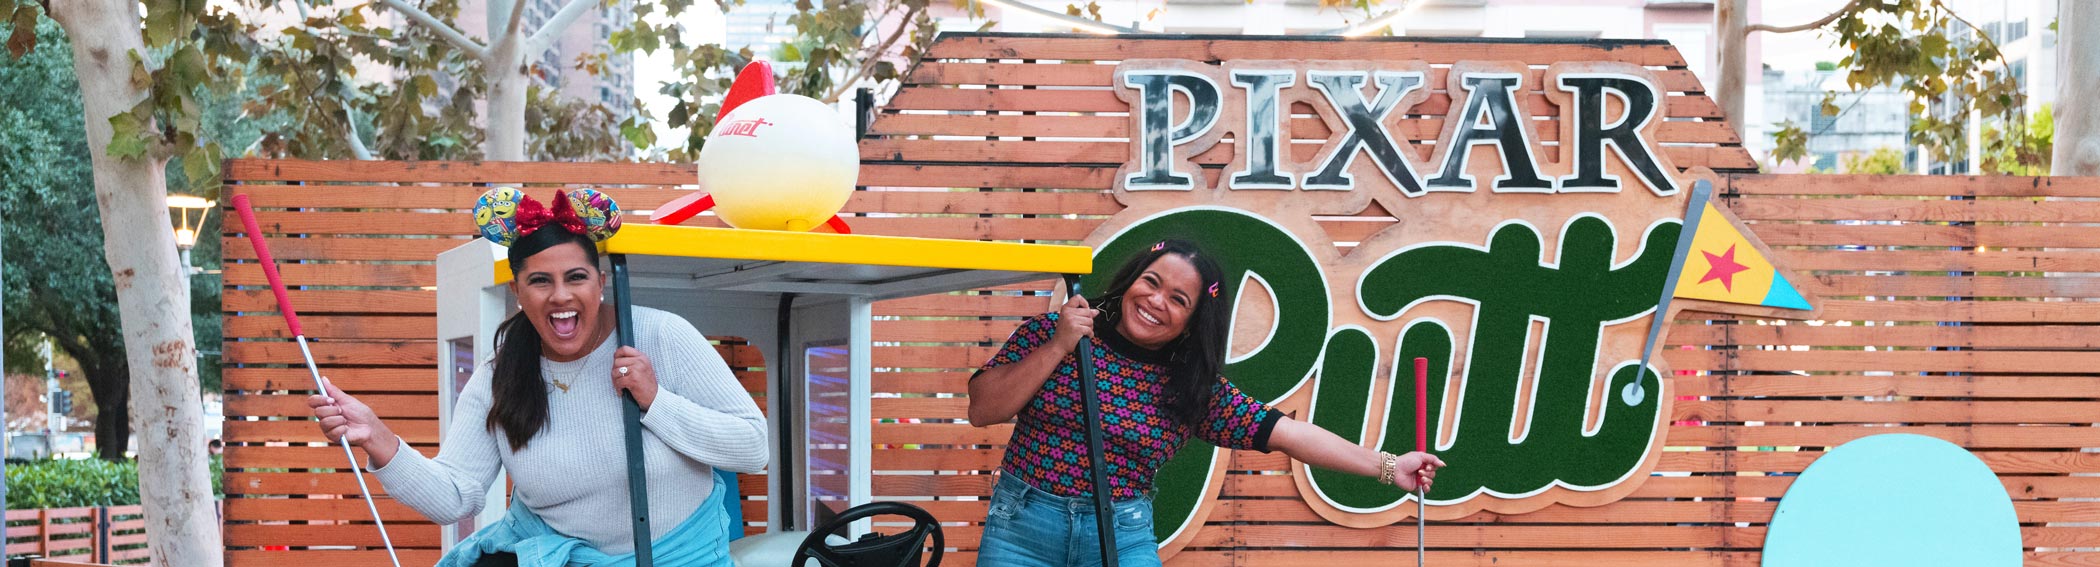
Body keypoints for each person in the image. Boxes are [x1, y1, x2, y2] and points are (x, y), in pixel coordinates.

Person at [308, 189, 768, 567]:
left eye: (576, 277)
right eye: (540, 281)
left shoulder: (661, 335)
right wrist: (378, 437)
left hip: (681, 558)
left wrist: (656, 401)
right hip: (558, 558)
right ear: (517, 292)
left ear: (600, 282)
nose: (561, 295)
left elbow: (753, 448)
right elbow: (454, 497)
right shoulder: (499, 375)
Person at [969, 239, 1447, 567]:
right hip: (1023, 528)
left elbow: (1288, 433)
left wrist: (1388, 467)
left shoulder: (1190, 385)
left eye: (1178, 299)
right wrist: (1058, 347)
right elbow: (982, 409)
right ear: (1131, 278)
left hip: (1121, 531)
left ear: (1193, 321)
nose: (1157, 301)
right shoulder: (1055, 332)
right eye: (1151, 282)